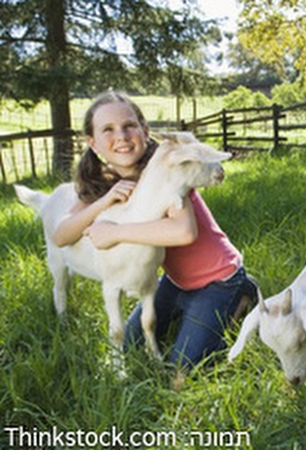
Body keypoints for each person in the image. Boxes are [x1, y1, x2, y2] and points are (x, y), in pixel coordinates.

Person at [52, 91, 257, 384]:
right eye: (108, 130)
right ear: (92, 142)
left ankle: (241, 295)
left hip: (218, 278)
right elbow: (61, 235)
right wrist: (103, 202)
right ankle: (186, 311)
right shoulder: (103, 182)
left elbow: (185, 232)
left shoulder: (171, 168)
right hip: (173, 282)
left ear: (145, 131)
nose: (121, 136)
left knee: (180, 376)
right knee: (133, 345)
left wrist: (115, 232)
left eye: (129, 125)